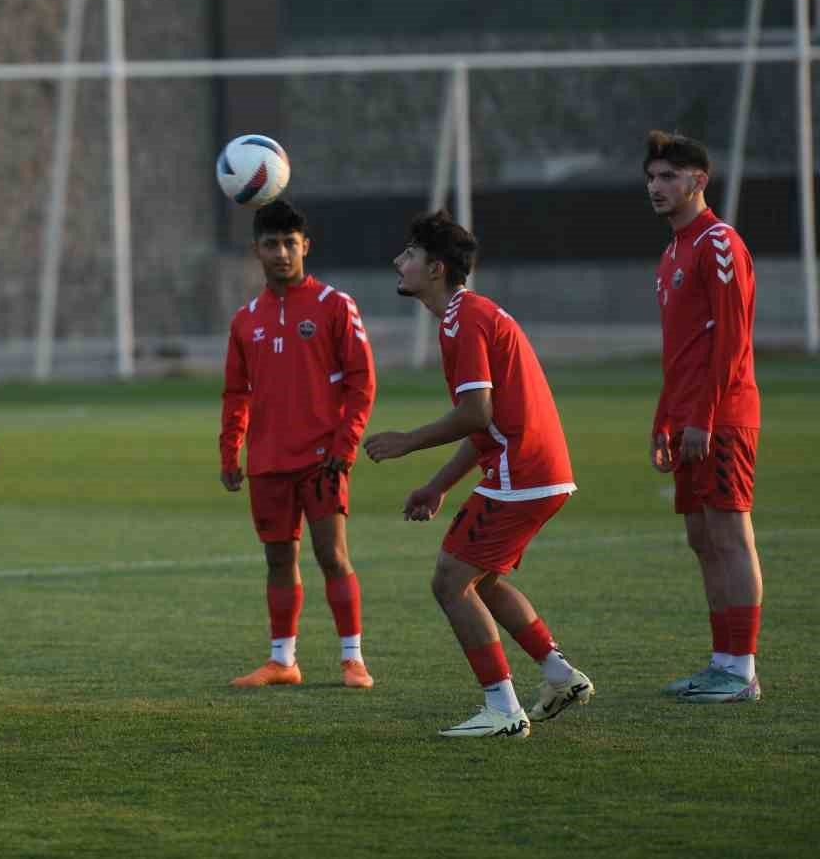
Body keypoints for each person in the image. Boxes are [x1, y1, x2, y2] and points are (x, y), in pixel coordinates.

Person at [364, 209, 593, 739]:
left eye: (410, 254)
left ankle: (503, 709)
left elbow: (476, 416)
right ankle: (560, 675)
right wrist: (438, 485)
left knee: (449, 582)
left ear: (437, 267)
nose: (399, 262)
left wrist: (407, 442)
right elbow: (486, 426)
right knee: (482, 578)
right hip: (538, 468)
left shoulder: (463, 321)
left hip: (526, 471)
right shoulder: (468, 314)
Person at [219, 201, 377, 690]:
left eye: (290, 243)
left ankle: (353, 659)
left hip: (322, 459)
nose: (282, 253)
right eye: (271, 244)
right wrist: (231, 451)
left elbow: (361, 382)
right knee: (278, 560)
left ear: (305, 246)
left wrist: (345, 446)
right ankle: (282, 660)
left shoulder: (334, 304)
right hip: (267, 463)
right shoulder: (246, 319)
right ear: (257, 251)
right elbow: (236, 392)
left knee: (332, 554)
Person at [644, 131, 763, 702]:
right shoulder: (671, 255)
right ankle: (721, 662)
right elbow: (679, 353)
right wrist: (663, 422)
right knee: (702, 538)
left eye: (669, 177)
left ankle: (741, 670)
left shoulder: (719, 244)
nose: (656, 187)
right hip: (689, 420)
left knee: (730, 534)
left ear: (699, 181)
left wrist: (704, 417)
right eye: (652, 177)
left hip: (723, 417)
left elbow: (731, 344)